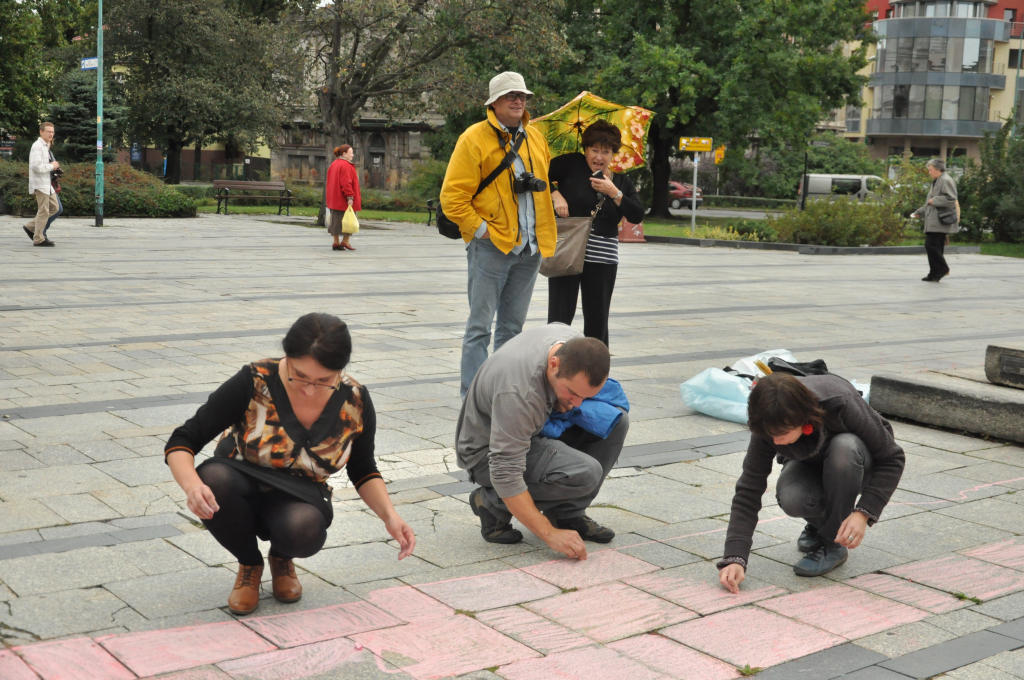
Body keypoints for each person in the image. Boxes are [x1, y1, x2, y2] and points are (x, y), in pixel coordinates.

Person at [164, 313, 415, 615]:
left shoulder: (355, 399)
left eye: (323, 381)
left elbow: (363, 469)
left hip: (300, 493)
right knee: (213, 478)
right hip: (239, 479)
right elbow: (183, 439)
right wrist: (192, 487)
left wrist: (390, 516)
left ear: (341, 370)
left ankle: (281, 559)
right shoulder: (255, 380)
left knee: (303, 528)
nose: (309, 388)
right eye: (300, 375)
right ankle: (249, 564)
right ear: (287, 356)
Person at [718, 372, 905, 592]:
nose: (776, 441)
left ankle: (833, 545)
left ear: (802, 418)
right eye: (770, 435)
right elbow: (749, 488)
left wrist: (864, 512)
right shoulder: (769, 421)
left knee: (844, 448)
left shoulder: (839, 402)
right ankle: (820, 525)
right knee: (793, 497)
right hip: (811, 462)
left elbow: (893, 458)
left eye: (782, 433)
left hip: (857, 464)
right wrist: (735, 557)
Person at [456, 323, 629, 561]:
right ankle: (491, 503)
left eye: (584, 396)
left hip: (530, 430)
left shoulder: (571, 342)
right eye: (572, 393)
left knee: (614, 422)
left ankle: (568, 514)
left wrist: (568, 398)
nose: (577, 403)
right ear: (554, 364)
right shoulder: (519, 392)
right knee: (585, 472)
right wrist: (548, 534)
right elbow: (505, 470)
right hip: (485, 454)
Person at [440, 72, 557, 396]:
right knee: (479, 328)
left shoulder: (535, 138)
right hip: (491, 248)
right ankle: (473, 398)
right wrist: (482, 231)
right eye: (510, 96)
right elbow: (452, 197)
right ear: (494, 102)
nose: (518, 101)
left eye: (522, 96)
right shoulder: (474, 138)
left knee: (512, 329)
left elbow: (545, 183)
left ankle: (502, 394)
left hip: (528, 249)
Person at [547, 120, 645, 347]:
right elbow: (539, 173)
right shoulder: (571, 164)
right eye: (594, 150)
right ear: (585, 149)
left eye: (606, 152)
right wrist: (555, 195)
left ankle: (596, 367)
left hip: (602, 259)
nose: (599, 157)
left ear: (613, 154)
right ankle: (554, 361)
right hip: (568, 251)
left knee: (597, 320)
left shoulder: (620, 181)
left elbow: (636, 215)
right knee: (559, 318)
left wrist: (614, 192)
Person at [911, 158, 958, 282]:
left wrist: (935, 200)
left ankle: (942, 269)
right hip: (934, 221)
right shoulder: (937, 181)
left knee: (931, 245)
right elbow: (929, 203)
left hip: (939, 221)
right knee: (936, 247)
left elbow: (951, 199)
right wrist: (919, 212)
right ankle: (934, 274)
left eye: (930, 170)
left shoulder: (946, 180)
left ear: (938, 169)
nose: (929, 172)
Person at [24, 122, 60, 247]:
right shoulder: (37, 146)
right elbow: (36, 167)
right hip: (40, 184)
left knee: (55, 208)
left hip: (47, 183)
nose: (51, 134)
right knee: (43, 211)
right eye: (48, 131)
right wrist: (52, 166)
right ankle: (38, 239)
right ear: (41, 132)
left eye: (52, 132)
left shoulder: (46, 145)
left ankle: (30, 226)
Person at [326, 144, 361, 251]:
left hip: (334, 199)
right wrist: (350, 197)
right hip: (343, 200)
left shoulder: (334, 164)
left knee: (335, 221)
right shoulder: (346, 166)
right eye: (351, 153)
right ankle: (345, 241)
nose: (353, 155)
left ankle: (336, 242)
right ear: (344, 154)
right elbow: (346, 183)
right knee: (349, 220)